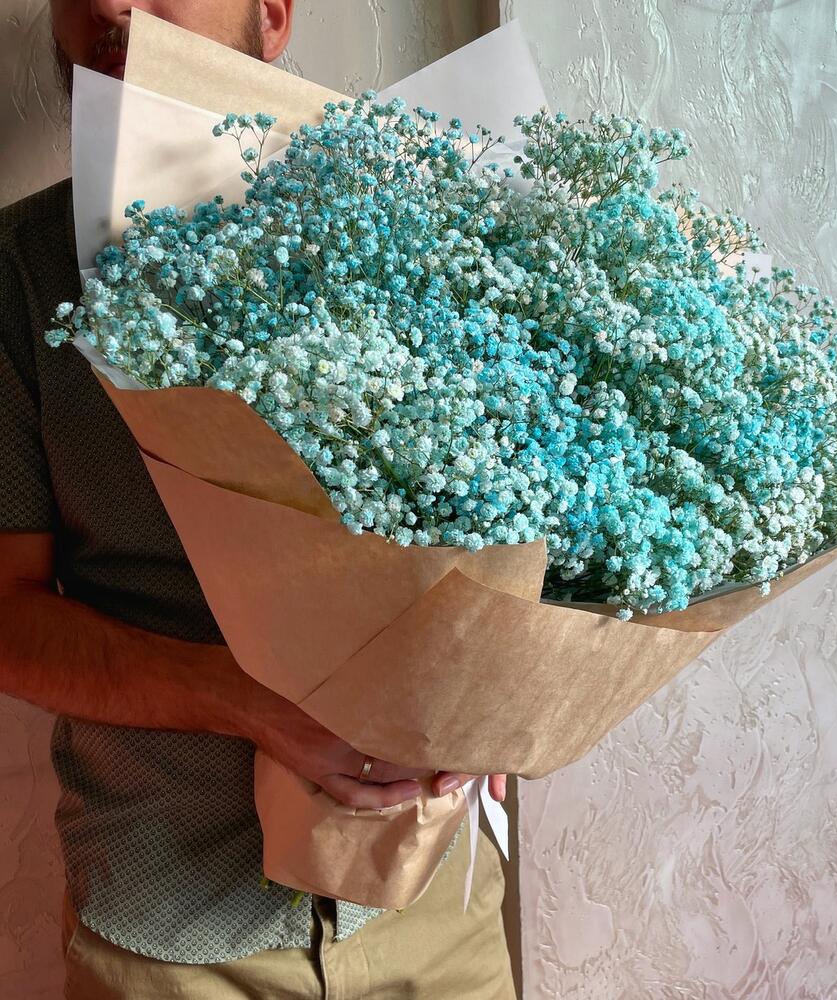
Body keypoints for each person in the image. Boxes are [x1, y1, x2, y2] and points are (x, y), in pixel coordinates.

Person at [0, 2, 516, 997]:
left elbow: (537, 518)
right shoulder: (19, 280)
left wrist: (506, 693)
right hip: (171, 933)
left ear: (271, 15)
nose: (110, 3)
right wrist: (249, 700)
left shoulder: (424, 224)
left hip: (430, 905)